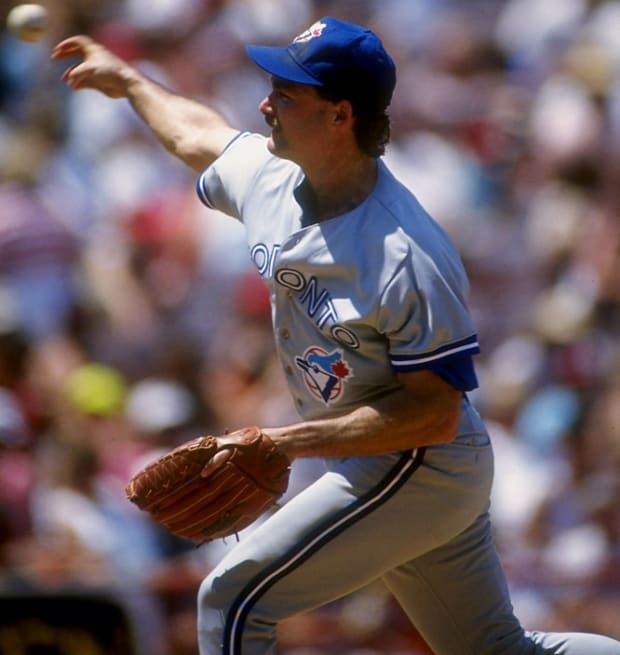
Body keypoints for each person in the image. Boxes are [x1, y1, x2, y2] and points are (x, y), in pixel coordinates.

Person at [52, 17, 620, 655]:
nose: (266, 103)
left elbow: (433, 412)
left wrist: (284, 443)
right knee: (495, 649)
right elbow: (199, 133)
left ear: (340, 115)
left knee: (231, 599)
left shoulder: (404, 252)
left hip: (420, 467)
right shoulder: (275, 179)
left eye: (288, 94)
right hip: (389, 461)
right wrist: (130, 82)